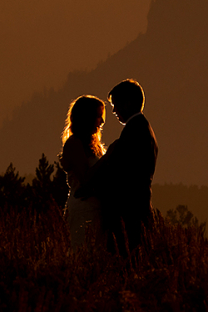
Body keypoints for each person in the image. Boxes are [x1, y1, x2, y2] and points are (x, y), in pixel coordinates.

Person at [77, 78, 157, 252]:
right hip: (134, 214)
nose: (113, 110)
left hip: (129, 216)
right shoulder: (140, 129)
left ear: (127, 103)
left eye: (116, 104)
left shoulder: (134, 132)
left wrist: (91, 190)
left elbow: (120, 174)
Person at [59, 95, 106, 250]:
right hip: (83, 208)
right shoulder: (74, 144)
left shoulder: (94, 145)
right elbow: (85, 179)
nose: (102, 121)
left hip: (96, 208)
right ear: (87, 117)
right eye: (99, 116)